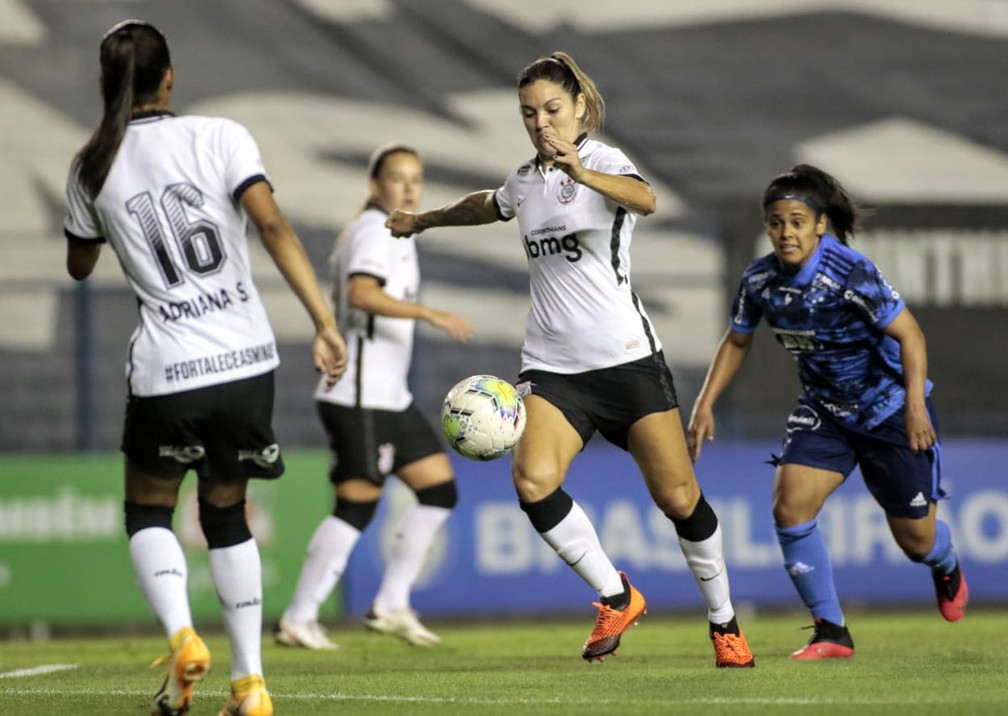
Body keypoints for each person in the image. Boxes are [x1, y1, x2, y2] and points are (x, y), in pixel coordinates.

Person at [386, 52, 755, 668]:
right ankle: (616, 594)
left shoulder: (604, 162)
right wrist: (423, 220)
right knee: (532, 482)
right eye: (529, 113)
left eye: (552, 109)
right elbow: (490, 202)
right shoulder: (526, 180)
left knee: (679, 499)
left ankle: (724, 624)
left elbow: (646, 200)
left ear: (579, 106)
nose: (541, 122)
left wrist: (581, 171)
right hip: (554, 368)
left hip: (628, 362)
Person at [63, 20, 347, 716]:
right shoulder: (222, 136)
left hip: (169, 369)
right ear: (171, 77)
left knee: (148, 510)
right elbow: (274, 228)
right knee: (228, 515)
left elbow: (78, 265)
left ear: (107, 85)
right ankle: (250, 685)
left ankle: (182, 635)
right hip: (248, 362)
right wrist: (325, 321)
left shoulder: (91, 163)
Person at [687, 163, 969, 659]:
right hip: (826, 411)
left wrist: (917, 409)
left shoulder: (850, 273)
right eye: (776, 222)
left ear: (819, 225)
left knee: (916, 541)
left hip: (889, 410)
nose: (785, 232)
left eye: (797, 221)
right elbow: (737, 341)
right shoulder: (760, 280)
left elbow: (911, 335)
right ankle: (832, 632)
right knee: (789, 506)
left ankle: (944, 564)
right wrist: (705, 403)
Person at [274, 143, 472, 650]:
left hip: (389, 395)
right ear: (374, 184)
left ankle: (391, 603)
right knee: (356, 505)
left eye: (416, 179)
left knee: (438, 489)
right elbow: (362, 293)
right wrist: (429, 313)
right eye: (397, 178)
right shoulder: (374, 230)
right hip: (357, 395)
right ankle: (298, 618)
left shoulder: (400, 233)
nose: (408, 187)